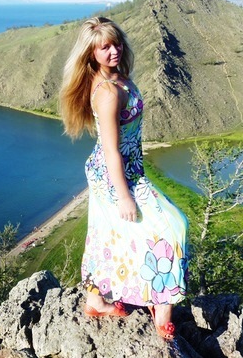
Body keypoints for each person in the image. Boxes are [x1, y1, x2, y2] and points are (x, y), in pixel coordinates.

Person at [59, 17, 188, 340]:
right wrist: (124, 195)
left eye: (116, 43)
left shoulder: (118, 79)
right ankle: (162, 307)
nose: (114, 51)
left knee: (106, 232)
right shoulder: (108, 92)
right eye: (105, 47)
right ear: (91, 53)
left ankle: (95, 301)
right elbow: (111, 149)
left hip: (121, 169)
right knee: (174, 226)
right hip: (114, 173)